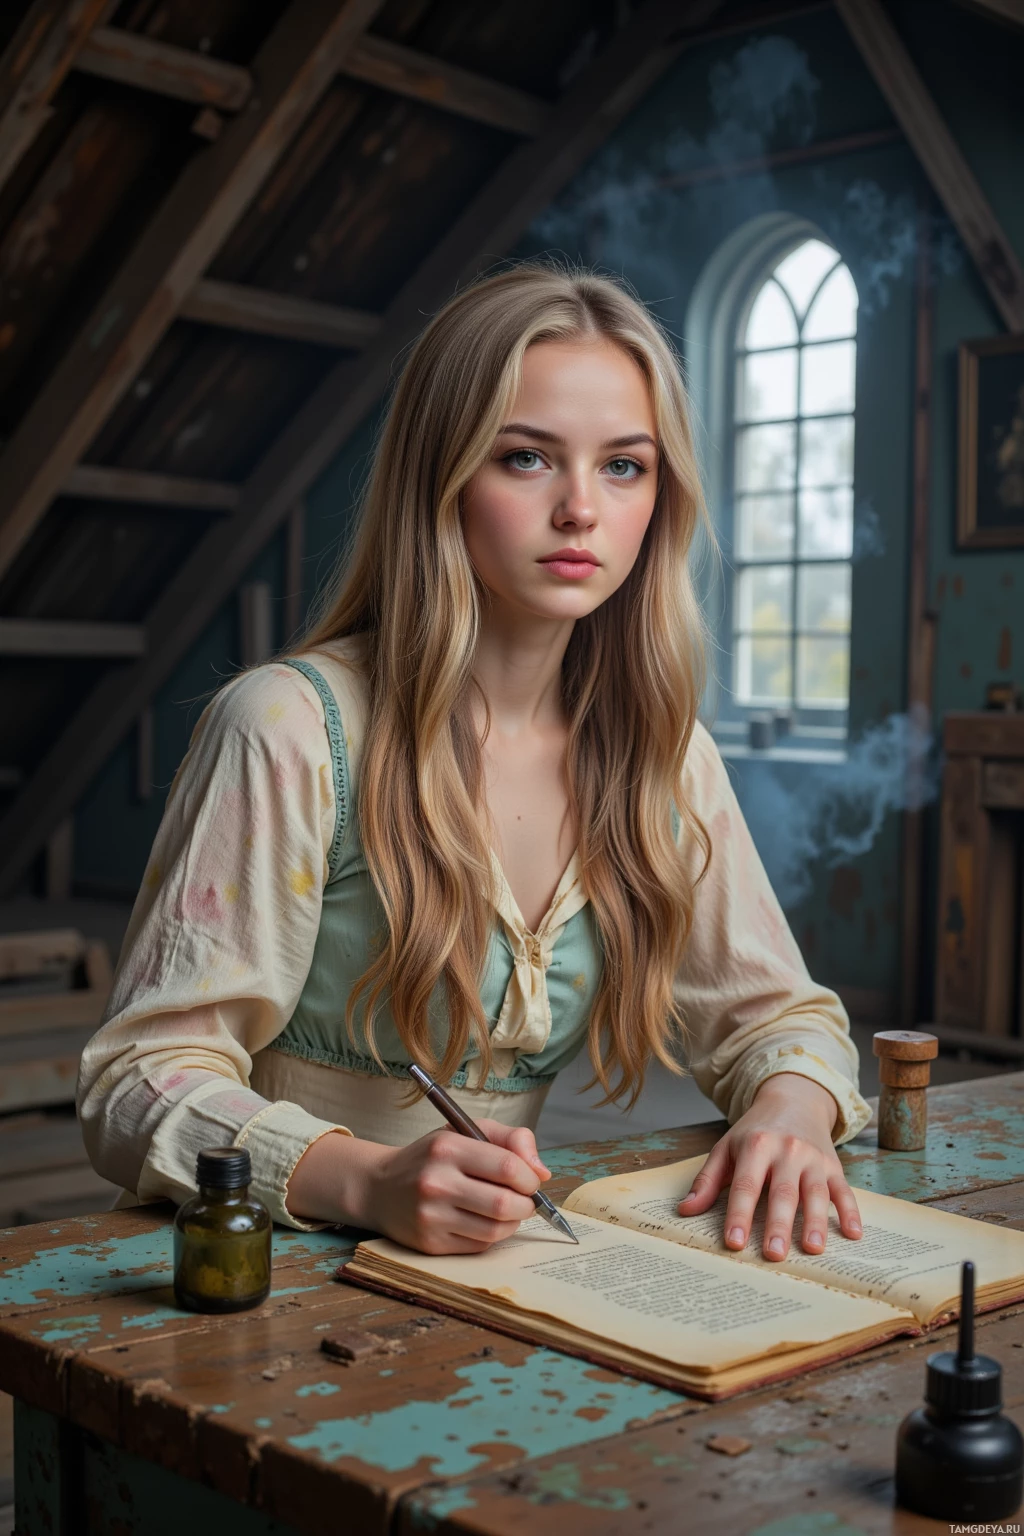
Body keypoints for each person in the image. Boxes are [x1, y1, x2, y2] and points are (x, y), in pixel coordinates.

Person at [77, 261, 871, 1262]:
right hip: (241, 1274)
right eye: (527, 458)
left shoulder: (664, 759)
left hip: (478, 1288)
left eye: (624, 465)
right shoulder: (286, 725)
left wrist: (791, 1113)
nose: (581, 508)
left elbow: (777, 1016)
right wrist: (363, 1179)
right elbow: (134, 1080)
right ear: (440, 475)